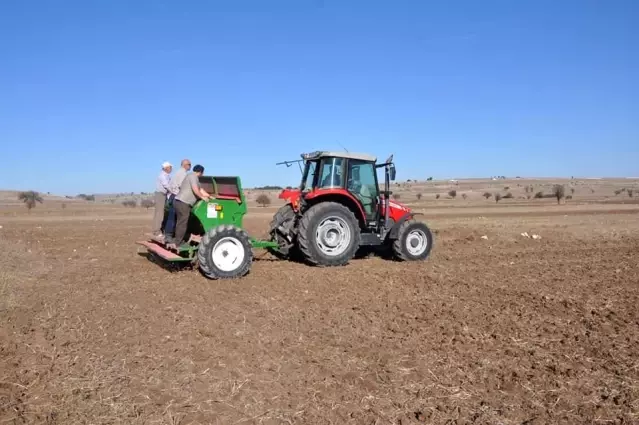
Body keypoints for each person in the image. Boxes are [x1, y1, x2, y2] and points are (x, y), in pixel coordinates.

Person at [167, 164, 212, 248]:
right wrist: (202, 197)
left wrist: (209, 196)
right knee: (182, 223)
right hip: (183, 202)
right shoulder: (193, 176)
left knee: (180, 222)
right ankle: (178, 243)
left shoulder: (191, 176)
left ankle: (177, 240)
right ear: (201, 172)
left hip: (179, 201)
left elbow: (200, 189)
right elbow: (195, 190)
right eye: (203, 173)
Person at [163, 159, 191, 238]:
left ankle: (168, 233)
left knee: (172, 216)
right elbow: (182, 185)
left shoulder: (178, 172)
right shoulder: (183, 174)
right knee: (177, 217)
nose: (190, 166)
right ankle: (170, 235)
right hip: (177, 196)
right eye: (189, 165)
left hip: (173, 195)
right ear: (185, 165)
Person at [152, 161, 172, 239]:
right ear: (166, 168)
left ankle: (158, 230)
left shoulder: (167, 175)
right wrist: (174, 191)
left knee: (161, 212)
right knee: (159, 213)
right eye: (170, 167)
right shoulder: (162, 176)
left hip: (164, 195)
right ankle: (156, 231)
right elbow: (166, 185)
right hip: (160, 194)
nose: (171, 169)